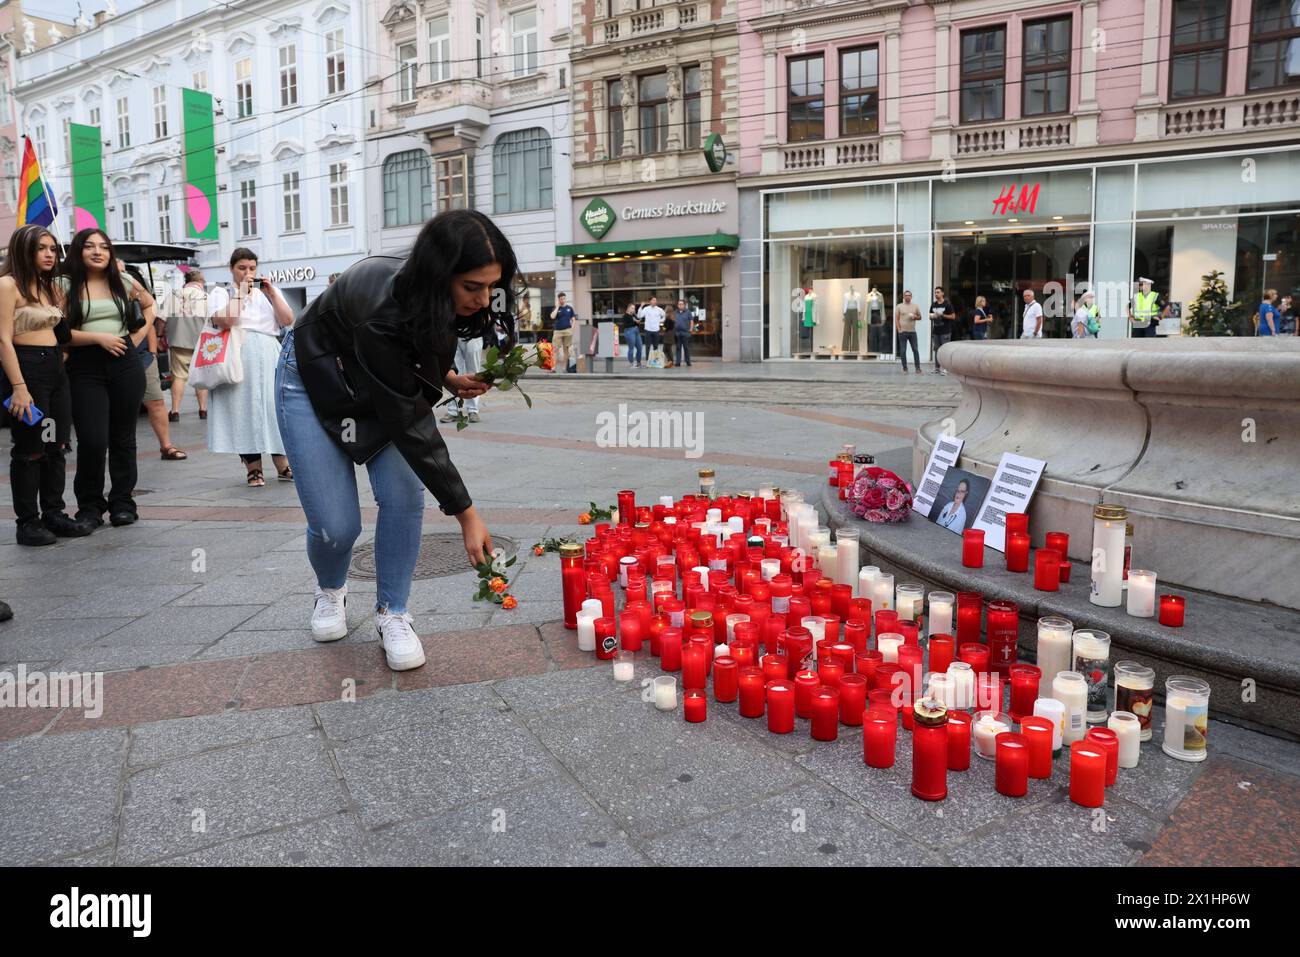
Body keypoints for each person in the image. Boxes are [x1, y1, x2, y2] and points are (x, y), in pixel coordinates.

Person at [277, 209, 510, 671]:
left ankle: (393, 612)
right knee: (336, 526)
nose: (485, 300)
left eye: (491, 287)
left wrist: (445, 377)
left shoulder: (433, 295)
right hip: (311, 379)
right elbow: (409, 420)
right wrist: (466, 513)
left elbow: (408, 351)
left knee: (404, 494)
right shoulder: (381, 302)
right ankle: (330, 591)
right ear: (439, 274)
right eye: (472, 287)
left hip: (377, 381)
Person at [0, 225, 91, 545]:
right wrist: (18, 387)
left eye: (53, 248)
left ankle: (53, 512)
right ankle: (28, 521)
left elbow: (62, 331)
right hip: (26, 368)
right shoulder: (7, 285)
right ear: (24, 250)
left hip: (53, 368)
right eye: (42, 248)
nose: (50, 254)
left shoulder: (49, 287)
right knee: (30, 448)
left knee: (55, 443)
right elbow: (2, 339)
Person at [59, 228, 151, 528]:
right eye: (89, 246)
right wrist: (99, 337)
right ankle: (90, 506)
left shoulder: (122, 281)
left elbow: (150, 306)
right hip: (84, 366)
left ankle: (123, 503)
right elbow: (58, 332)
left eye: (104, 247)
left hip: (124, 362)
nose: (97, 252)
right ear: (78, 251)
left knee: (123, 438)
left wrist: (134, 339)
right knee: (93, 439)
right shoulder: (64, 284)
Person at [206, 247, 294, 487]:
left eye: (252, 268)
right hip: (237, 351)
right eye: (242, 268)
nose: (248, 272)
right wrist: (241, 293)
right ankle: (253, 469)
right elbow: (226, 321)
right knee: (242, 409)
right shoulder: (221, 293)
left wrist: (272, 293)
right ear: (231, 269)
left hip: (268, 351)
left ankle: (283, 465)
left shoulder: (267, 293)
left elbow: (287, 320)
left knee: (273, 408)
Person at [124, 264, 186, 462]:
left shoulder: (137, 294)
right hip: (113, 355)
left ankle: (166, 446)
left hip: (142, 355)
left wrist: (151, 352)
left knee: (156, 401)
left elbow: (149, 322)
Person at [166, 268, 209, 421]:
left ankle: (175, 411)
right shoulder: (206, 297)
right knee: (200, 377)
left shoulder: (174, 295)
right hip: (201, 344)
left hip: (178, 342)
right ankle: (203, 410)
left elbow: (160, 319)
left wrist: (159, 336)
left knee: (178, 377)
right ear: (201, 282)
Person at [441, 322, 485, 422]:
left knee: (474, 372)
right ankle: (453, 410)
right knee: (454, 372)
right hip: (453, 330)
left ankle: (473, 410)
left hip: (474, 330)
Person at [929, 287, 954, 374]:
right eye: (935, 292)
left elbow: (953, 316)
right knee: (937, 350)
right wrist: (932, 316)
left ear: (942, 293)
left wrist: (942, 315)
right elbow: (930, 315)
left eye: (938, 292)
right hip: (936, 331)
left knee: (945, 350)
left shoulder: (947, 304)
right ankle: (937, 368)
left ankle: (945, 368)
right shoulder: (933, 304)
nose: (936, 294)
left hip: (945, 331)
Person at [895, 290, 922, 373]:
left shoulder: (915, 306)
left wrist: (915, 317)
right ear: (903, 297)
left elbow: (920, 317)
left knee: (915, 350)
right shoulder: (899, 306)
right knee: (903, 351)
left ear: (911, 297)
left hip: (912, 332)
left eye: (909, 295)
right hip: (903, 332)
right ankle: (905, 368)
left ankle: (917, 368)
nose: (907, 297)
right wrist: (899, 330)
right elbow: (896, 319)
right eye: (906, 295)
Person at [549, 292, 576, 373]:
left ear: (565, 298)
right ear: (559, 299)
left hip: (568, 331)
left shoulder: (569, 308)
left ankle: (564, 368)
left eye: (564, 298)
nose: (563, 300)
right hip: (558, 331)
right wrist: (557, 307)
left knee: (566, 350)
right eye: (561, 299)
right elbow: (552, 316)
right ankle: (553, 368)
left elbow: (573, 320)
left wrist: (572, 329)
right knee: (555, 349)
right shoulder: (557, 308)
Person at [638, 295, 665, 362]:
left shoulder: (659, 309)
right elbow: (639, 316)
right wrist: (641, 307)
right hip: (648, 330)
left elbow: (664, 316)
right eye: (653, 300)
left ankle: (655, 360)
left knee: (656, 346)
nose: (655, 301)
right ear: (650, 301)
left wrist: (660, 321)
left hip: (656, 330)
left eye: (655, 300)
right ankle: (648, 360)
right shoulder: (646, 309)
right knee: (648, 346)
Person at [620, 301, 643, 367]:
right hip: (629, 331)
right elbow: (626, 325)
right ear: (628, 308)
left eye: (634, 308)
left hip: (636, 331)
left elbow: (637, 322)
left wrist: (637, 321)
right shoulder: (625, 316)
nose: (633, 309)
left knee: (640, 347)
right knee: (631, 348)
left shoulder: (633, 315)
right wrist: (635, 322)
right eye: (632, 308)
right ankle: (631, 363)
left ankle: (638, 362)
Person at [673, 298, 694, 368]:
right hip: (677, 333)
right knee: (678, 348)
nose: (680, 305)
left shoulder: (688, 312)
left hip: (685, 333)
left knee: (686, 348)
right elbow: (673, 321)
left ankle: (688, 362)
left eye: (681, 304)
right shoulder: (675, 312)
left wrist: (691, 329)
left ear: (684, 305)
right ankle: (678, 362)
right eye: (679, 304)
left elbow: (691, 321)